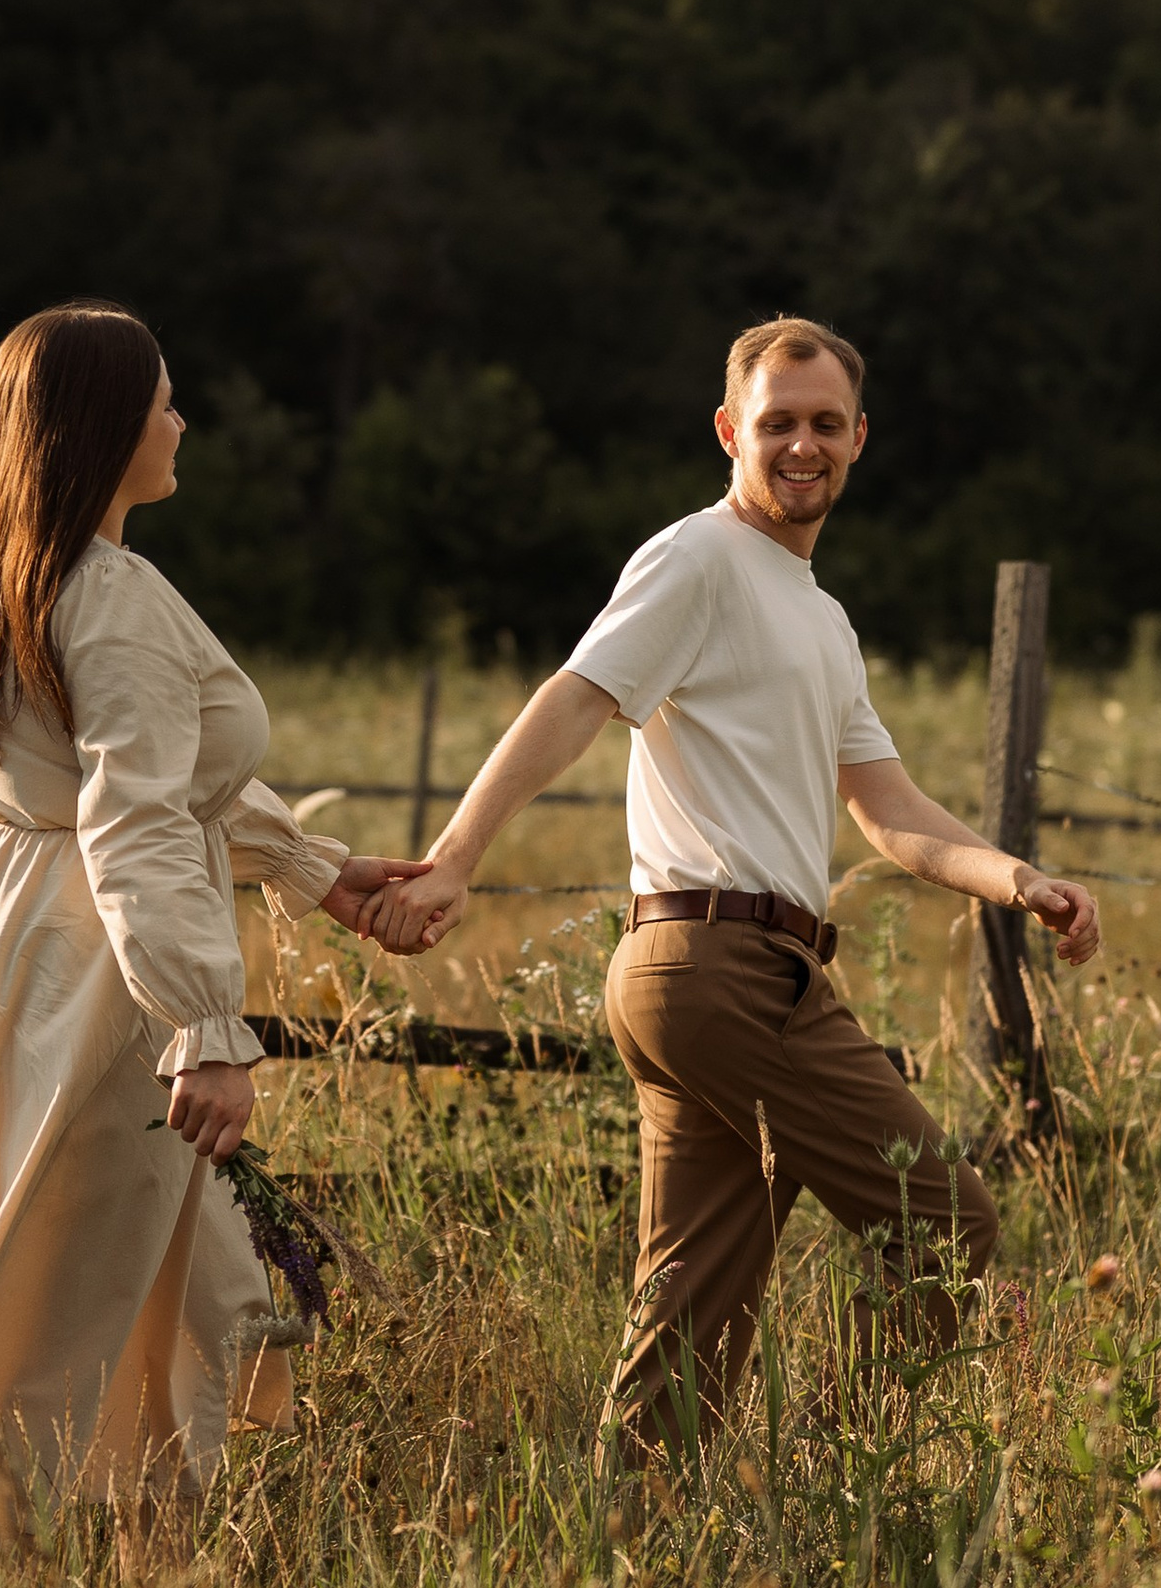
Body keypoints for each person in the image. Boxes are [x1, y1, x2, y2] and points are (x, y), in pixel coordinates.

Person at [362, 316, 1102, 1449]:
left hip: (718, 975)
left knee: (692, 1307)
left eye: (822, 424)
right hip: (717, 968)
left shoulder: (820, 616)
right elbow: (576, 694)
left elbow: (888, 810)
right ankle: (831, 1479)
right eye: (775, 423)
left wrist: (1016, 880)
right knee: (943, 1221)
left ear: (861, 436)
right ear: (728, 431)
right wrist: (457, 855)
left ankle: (639, 1546)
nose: (799, 445)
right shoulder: (697, 557)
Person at [0, 303, 425, 1566]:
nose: (181, 419)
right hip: (92, 978)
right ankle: (12, 1555)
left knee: (7, 1248)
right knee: (75, 1282)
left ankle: (36, 1550)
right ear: (104, 427)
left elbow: (136, 794)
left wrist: (313, 868)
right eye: (163, 399)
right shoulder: (111, 599)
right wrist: (206, 1026)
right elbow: (140, 824)